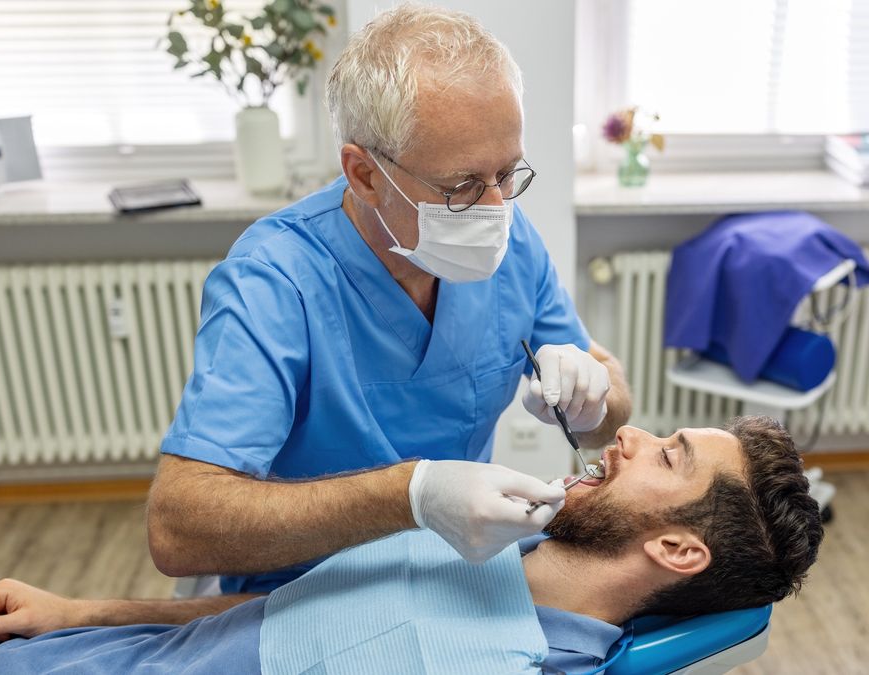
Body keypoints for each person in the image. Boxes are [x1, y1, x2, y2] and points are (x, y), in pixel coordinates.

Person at [145, 1, 632, 596]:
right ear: (365, 174)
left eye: (507, 174)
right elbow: (179, 528)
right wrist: (412, 496)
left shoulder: (514, 242)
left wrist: (594, 397)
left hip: (447, 577)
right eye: (461, 188)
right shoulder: (275, 279)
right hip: (294, 597)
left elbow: (612, 411)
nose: (495, 209)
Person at [0, 417, 823, 675]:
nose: (628, 436)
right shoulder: (492, 544)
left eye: (667, 456)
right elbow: (291, 617)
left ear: (676, 549)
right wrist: (78, 612)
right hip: (49, 646)